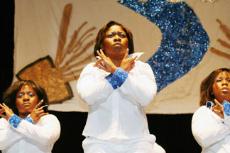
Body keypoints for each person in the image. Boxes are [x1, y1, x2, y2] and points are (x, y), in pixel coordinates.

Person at [77, 21, 165, 153]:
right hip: (99, 142)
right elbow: (89, 96)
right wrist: (119, 73)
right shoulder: (91, 69)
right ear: (102, 44)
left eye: (121, 35)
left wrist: (115, 71)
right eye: (111, 35)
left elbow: (145, 97)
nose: (117, 37)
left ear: (128, 43)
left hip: (137, 141)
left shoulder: (142, 68)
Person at [0, 80, 61, 153]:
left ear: (39, 100)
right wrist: (29, 120)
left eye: (31, 95)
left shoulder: (49, 119)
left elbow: (47, 138)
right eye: (20, 95)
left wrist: (14, 120)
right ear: (14, 102)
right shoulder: (4, 122)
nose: (26, 98)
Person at [192, 68, 230, 153]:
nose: (225, 83)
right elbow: (203, 139)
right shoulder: (204, 112)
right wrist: (227, 122)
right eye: (219, 80)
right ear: (211, 90)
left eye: (229, 80)